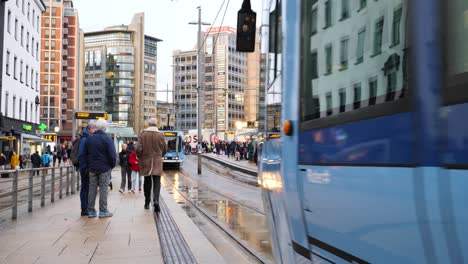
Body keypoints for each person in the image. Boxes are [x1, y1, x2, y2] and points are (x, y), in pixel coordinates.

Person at [82, 119, 116, 218]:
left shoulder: (89, 139)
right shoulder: (107, 139)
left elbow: (85, 154)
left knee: (92, 188)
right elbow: (112, 155)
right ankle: (103, 210)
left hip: (92, 168)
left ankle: (91, 211)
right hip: (105, 168)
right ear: (105, 128)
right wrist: (111, 166)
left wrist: (88, 165)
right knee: (103, 189)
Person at [136, 118, 167, 212]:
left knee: (147, 181)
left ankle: (147, 202)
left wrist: (139, 156)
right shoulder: (160, 135)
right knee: (157, 182)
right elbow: (164, 148)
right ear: (156, 124)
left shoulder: (143, 134)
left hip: (146, 161)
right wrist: (160, 155)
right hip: (157, 161)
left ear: (148, 124)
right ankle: (156, 200)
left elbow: (138, 148)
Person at [77, 121, 96, 216]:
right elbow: (81, 155)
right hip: (85, 168)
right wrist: (84, 168)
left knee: (87, 187)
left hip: (87, 167)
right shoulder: (85, 139)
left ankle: (86, 207)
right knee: (85, 187)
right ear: (89, 129)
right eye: (94, 129)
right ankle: (84, 208)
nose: (95, 130)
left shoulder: (88, 137)